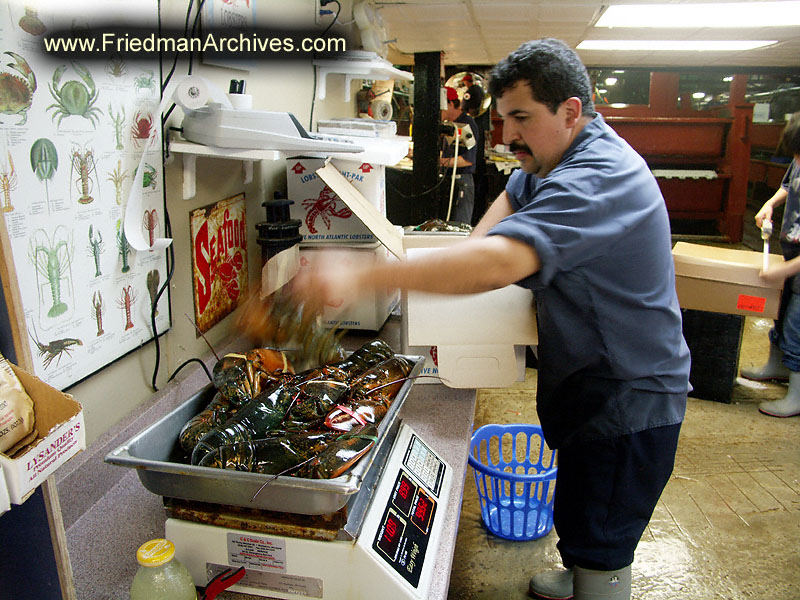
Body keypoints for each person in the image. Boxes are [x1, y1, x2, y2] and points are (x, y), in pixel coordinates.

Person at [289, 38, 690, 600]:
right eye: (502, 120)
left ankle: (598, 581)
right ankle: (580, 572)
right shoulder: (553, 158)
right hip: (591, 377)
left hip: (630, 396)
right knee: (581, 507)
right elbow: (500, 216)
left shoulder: (600, 177)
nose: (507, 138)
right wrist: (465, 257)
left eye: (521, 118)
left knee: (606, 527)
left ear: (571, 111)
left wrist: (360, 278)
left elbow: (498, 262)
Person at [741, 112, 800, 418]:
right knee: (781, 311)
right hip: (792, 250)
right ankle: (776, 365)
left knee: (797, 326)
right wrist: (770, 204)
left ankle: (797, 396)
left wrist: (785, 270)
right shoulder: (798, 161)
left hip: (797, 265)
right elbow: (788, 185)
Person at [440, 86, 478, 225]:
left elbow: (468, 160)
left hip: (462, 182)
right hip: (448, 181)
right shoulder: (449, 124)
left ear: (450, 104)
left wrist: (440, 162)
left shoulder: (467, 124)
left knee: (459, 226)